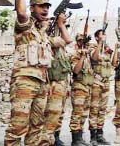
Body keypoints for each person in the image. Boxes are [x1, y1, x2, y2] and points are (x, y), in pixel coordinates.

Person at [4, 0, 69, 146]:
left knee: (37, 127)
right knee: (18, 126)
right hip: (24, 81)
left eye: (47, 7)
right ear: (32, 8)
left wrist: (60, 24)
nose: (45, 9)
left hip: (42, 83)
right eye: (41, 6)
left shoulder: (43, 35)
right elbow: (21, 12)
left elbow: (64, 41)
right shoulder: (24, 26)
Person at [41, 13, 73, 146]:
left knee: (58, 113)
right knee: (51, 114)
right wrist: (60, 24)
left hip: (62, 82)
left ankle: (53, 138)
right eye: (47, 21)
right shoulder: (47, 39)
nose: (49, 23)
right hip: (52, 84)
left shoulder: (57, 43)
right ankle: (47, 140)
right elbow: (67, 39)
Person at [88, 30, 116, 145]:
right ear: (96, 37)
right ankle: (93, 136)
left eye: (104, 35)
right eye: (101, 35)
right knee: (94, 109)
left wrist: (116, 49)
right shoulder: (92, 47)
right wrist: (100, 43)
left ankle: (100, 134)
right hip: (96, 81)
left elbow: (114, 64)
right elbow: (94, 58)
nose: (104, 36)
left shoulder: (107, 49)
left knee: (102, 109)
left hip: (106, 82)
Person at [69, 34, 94, 146]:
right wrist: (82, 56)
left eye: (83, 41)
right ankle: (75, 139)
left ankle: (80, 136)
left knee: (84, 114)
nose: (81, 43)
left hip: (87, 87)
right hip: (79, 87)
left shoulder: (89, 55)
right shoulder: (75, 54)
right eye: (79, 41)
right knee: (77, 113)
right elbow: (76, 70)